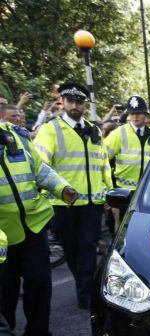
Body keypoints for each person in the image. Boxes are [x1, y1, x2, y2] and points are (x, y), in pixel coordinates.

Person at [33, 83, 113, 310]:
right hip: (63, 202)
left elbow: (103, 163)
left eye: (79, 102)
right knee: (71, 248)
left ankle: (85, 294)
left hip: (92, 202)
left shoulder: (94, 130)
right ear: (63, 102)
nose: (75, 105)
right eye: (71, 101)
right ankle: (83, 284)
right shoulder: (51, 129)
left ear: (85, 104)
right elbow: (41, 166)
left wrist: (109, 191)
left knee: (87, 246)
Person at [1, 118, 78, 335]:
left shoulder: (15, 135)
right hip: (2, 235)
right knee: (5, 292)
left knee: (40, 285)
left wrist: (62, 188)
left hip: (33, 227)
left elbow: (40, 170)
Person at [105, 96, 150, 193]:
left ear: (145, 115)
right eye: (132, 113)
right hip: (122, 190)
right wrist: (108, 187)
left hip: (147, 191)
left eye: (138, 113)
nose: (135, 116)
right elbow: (102, 158)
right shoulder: (119, 132)